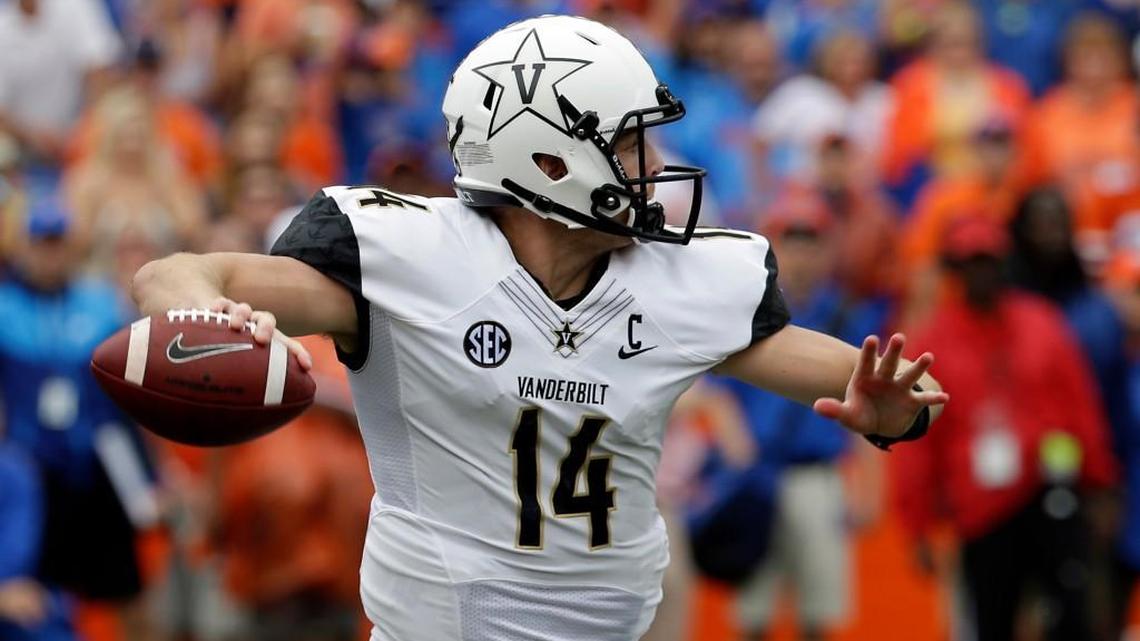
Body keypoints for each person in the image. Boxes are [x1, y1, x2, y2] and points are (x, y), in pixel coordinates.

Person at [131, 15, 947, 641]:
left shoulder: (681, 284)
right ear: (548, 162)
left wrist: (896, 409)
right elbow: (183, 272)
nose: (654, 168)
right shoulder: (414, 258)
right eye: (631, 145)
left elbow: (890, 386)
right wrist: (204, 308)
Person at [895, 216, 1117, 641]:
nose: (981, 272)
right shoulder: (933, 343)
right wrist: (917, 522)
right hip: (981, 510)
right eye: (970, 263)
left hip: (1051, 492)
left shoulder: (1040, 322)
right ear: (954, 271)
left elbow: (1080, 405)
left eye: (989, 261)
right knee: (991, 621)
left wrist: (1100, 481)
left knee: (1073, 617)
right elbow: (918, 439)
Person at [709, 200, 885, 641]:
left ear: (828, 252)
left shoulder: (847, 315)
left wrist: (868, 486)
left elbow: (870, 405)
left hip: (816, 476)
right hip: (760, 473)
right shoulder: (749, 309)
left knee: (819, 613)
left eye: (813, 243)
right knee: (754, 612)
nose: (804, 254)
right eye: (793, 241)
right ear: (776, 247)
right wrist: (736, 450)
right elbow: (716, 395)